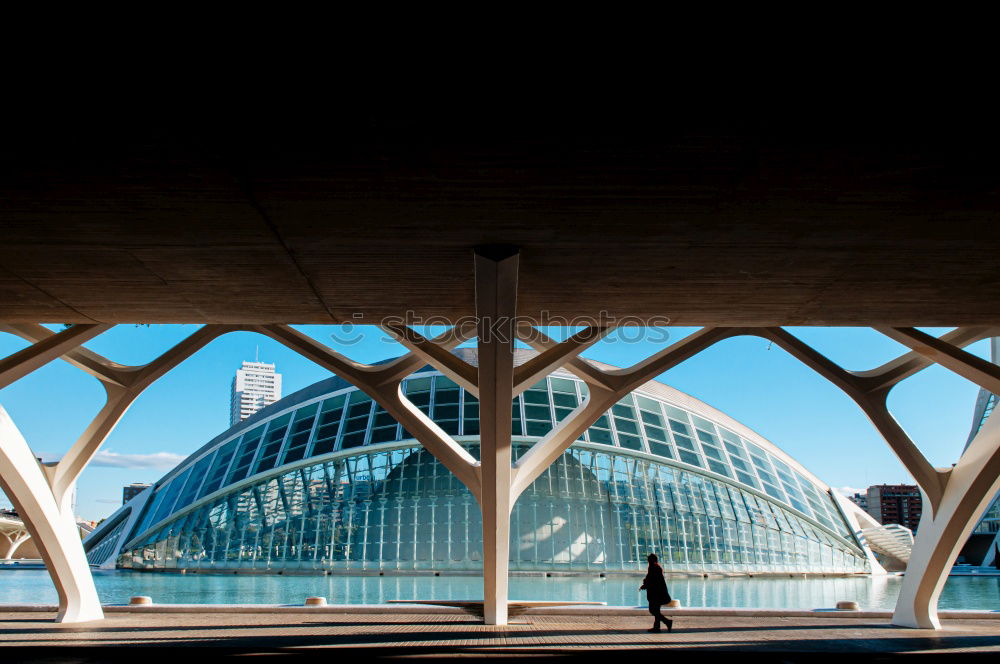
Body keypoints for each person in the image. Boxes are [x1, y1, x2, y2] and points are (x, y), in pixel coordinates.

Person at [639, 553, 673, 632]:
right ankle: (657, 627)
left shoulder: (654, 567)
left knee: (653, 610)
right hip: (658, 592)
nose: (648, 561)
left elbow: (652, 580)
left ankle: (667, 622)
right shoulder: (656, 567)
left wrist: (645, 585)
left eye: (649, 560)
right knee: (656, 610)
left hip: (656, 593)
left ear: (651, 560)